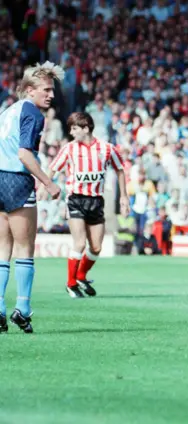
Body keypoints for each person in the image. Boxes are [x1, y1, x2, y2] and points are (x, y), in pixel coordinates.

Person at [0, 62, 63, 333]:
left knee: (3, 249)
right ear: (30, 90)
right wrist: (48, 183)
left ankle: (0, 308)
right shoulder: (33, 114)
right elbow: (25, 154)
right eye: (46, 90)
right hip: (16, 179)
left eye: (52, 90)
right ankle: (22, 309)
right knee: (25, 248)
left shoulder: (9, 110)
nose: (51, 95)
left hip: (0, 178)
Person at [43, 112, 129, 298]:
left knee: (96, 247)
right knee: (79, 243)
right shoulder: (69, 149)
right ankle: (71, 283)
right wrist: (47, 185)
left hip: (96, 200)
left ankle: (81, 275)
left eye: (75, 129)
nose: (72, 133)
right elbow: (53, 168)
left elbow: (120, 170)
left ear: (86, 128)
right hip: (76, 199)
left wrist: (124, 196)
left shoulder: (107, 149)